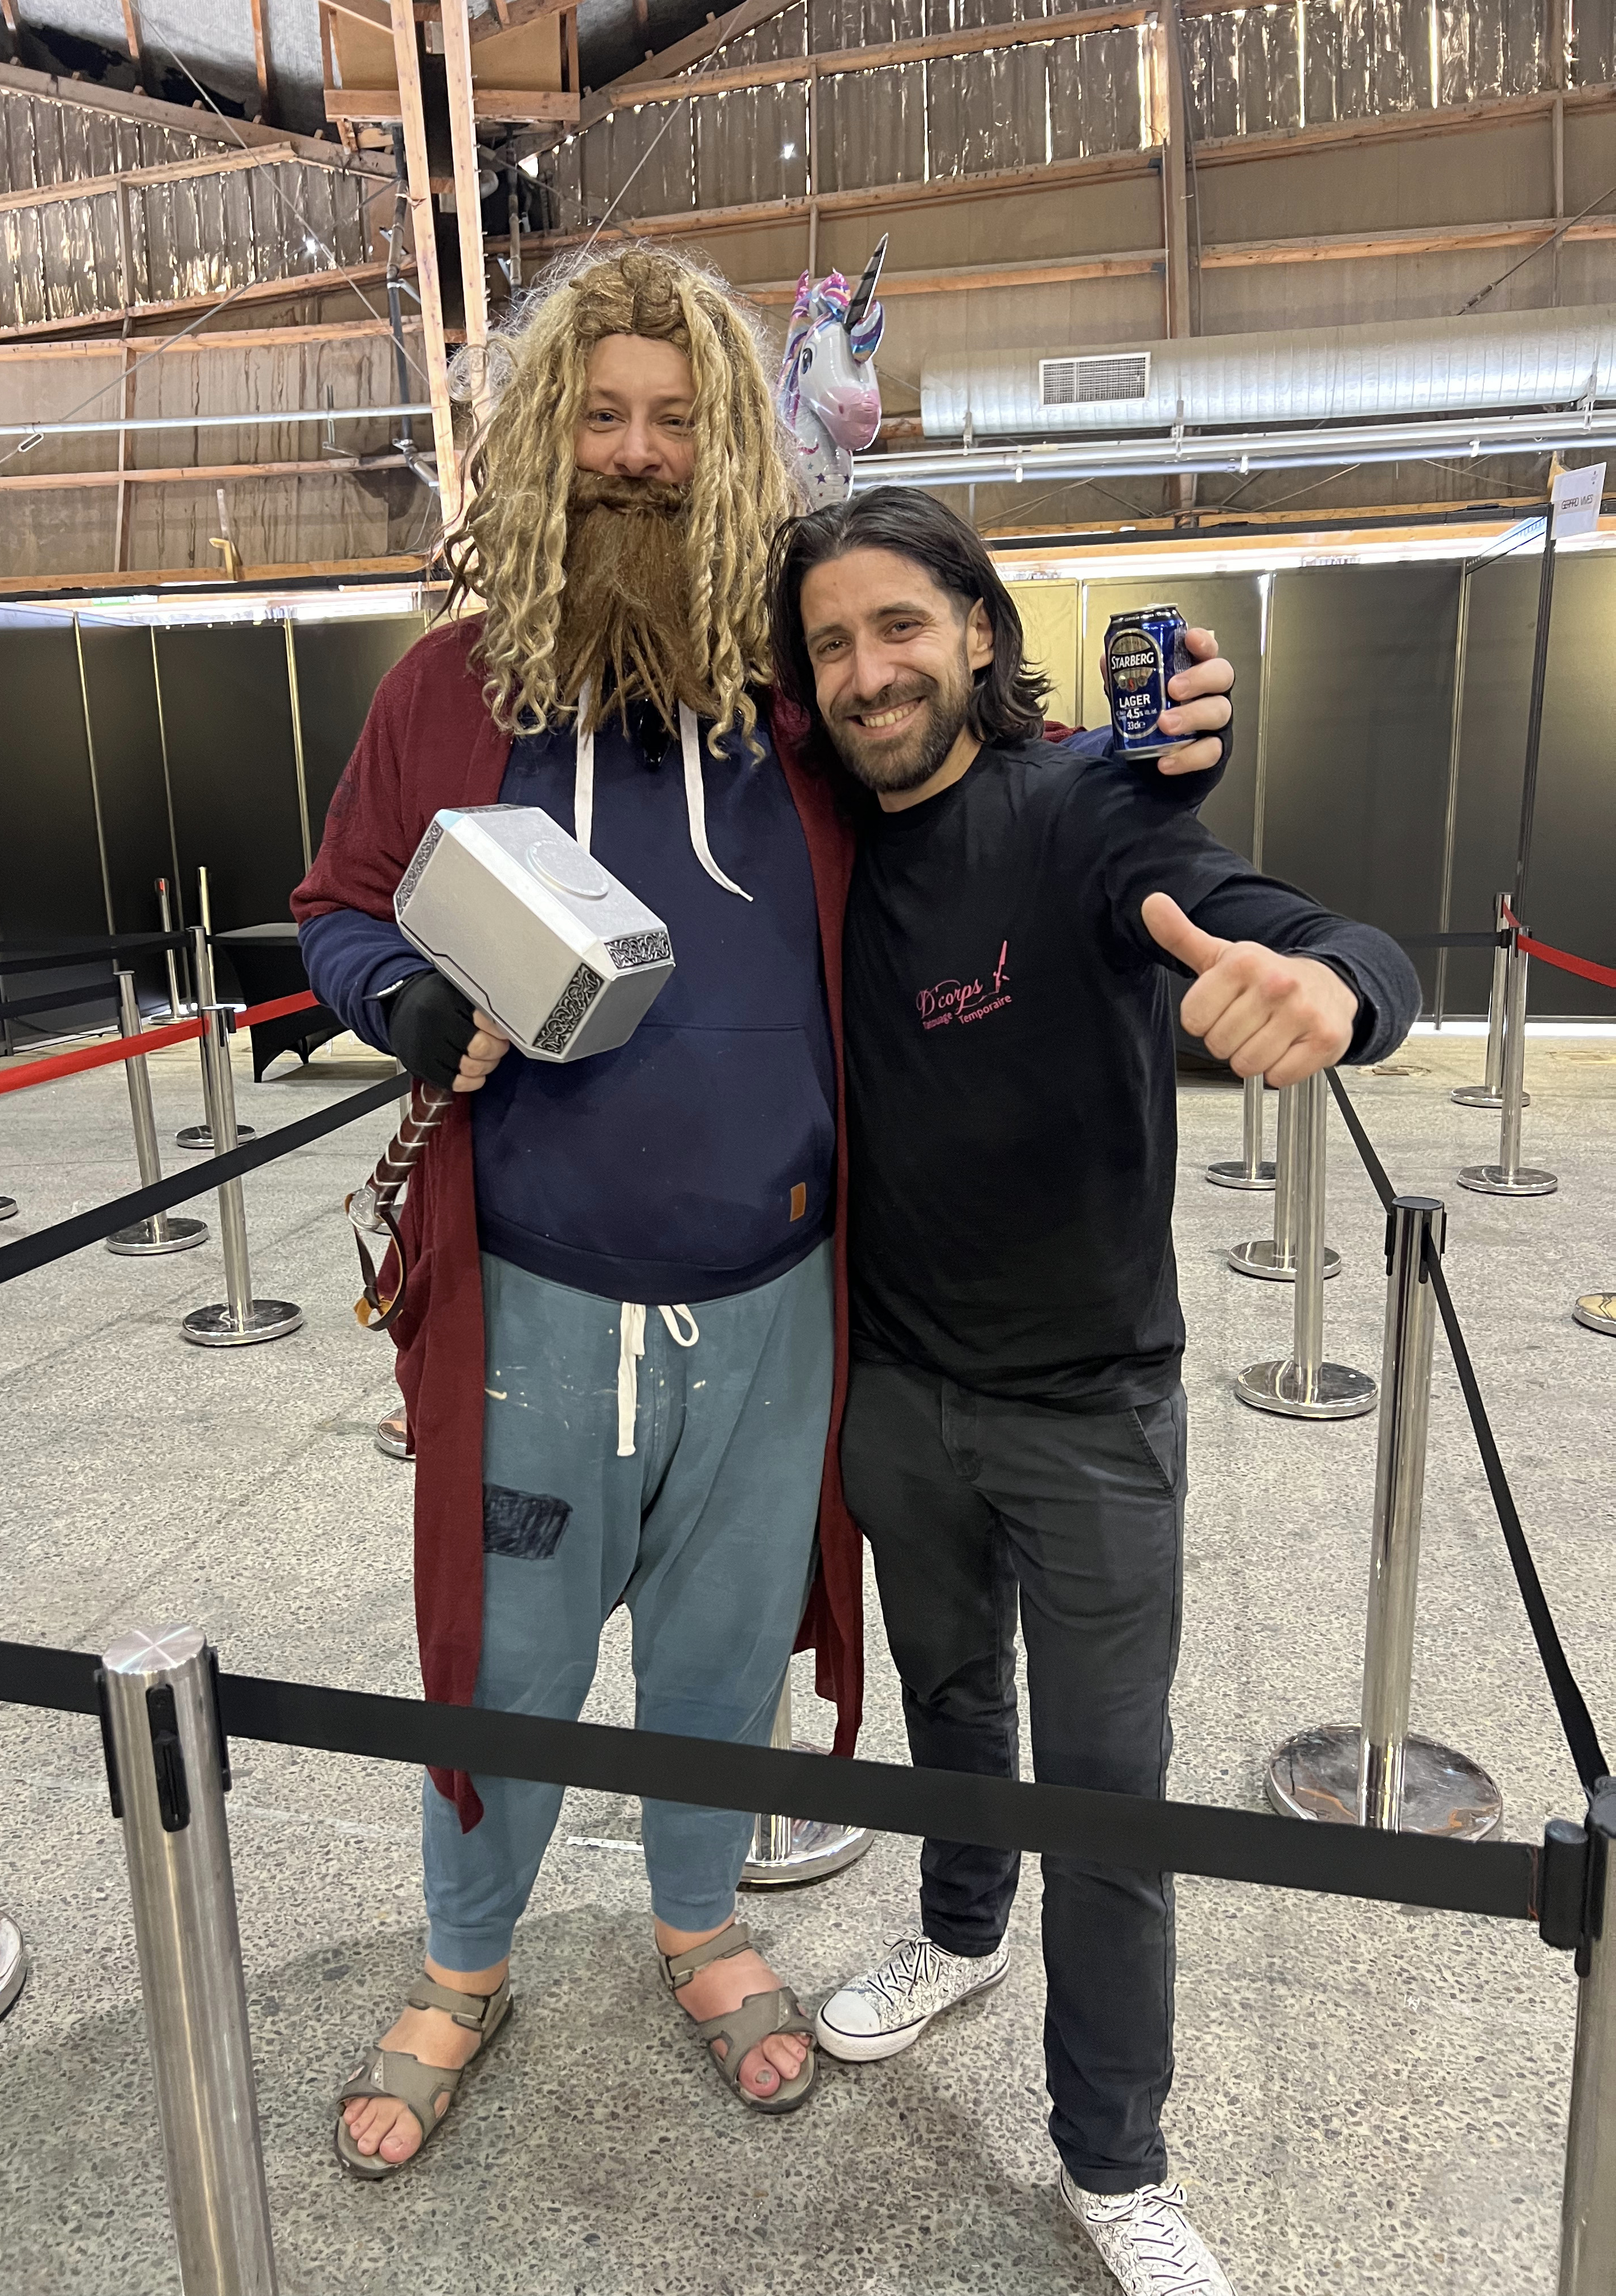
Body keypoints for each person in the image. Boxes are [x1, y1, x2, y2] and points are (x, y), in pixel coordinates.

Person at [293, 243, 1236, 2180]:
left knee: (722, 1660)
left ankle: (699, 1918)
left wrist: (1171, 744)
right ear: (545, 440)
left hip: (784, 1299)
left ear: (727, 446)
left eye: (675, 420)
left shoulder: (794, 706)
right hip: (534, 1295)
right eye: (601, 418)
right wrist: (401, 1001)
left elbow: (982, 779)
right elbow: (340, 903)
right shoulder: (446, 694)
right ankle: (465, 1962)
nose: (638, 456)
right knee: (510, 1659)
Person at [766, 488, 1418, 2296]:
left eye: (902, 625)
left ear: (979, 631)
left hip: (1094, 1415)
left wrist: (1335, 991)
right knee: (952, 1706)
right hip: (901, 1394)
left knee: (1110, 1796)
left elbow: (1306, 926)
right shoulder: (815, 846)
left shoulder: (1081, 812)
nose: (870, 671)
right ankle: (959, 1929)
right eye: (833, 643)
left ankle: (1114, 2161)